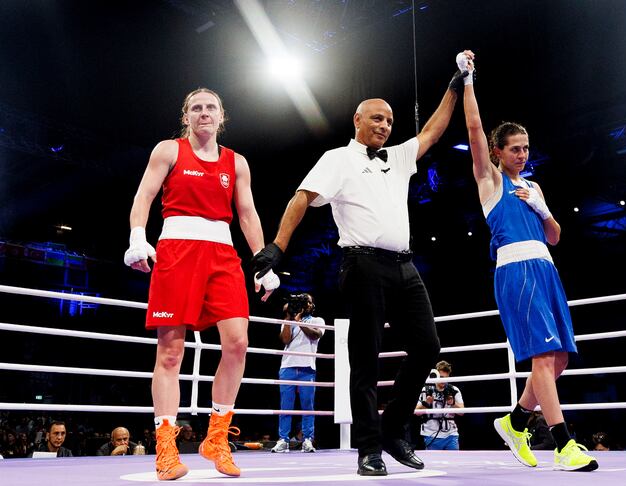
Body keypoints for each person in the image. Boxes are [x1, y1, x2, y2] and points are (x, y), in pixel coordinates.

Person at [251, 52, 470, 476]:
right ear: (357, 120)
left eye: (389, 120)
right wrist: (278, 246)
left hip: (405, 267)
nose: (384, 126)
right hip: (362, 265)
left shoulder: (399, 157)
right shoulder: (338, 158)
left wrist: (454, 85)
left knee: (428, 347)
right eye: (376, 118)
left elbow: (432, 131)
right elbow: (301, 197)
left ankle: (392, 430)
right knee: (366, 359)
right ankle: (368, 449)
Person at [125, 88, 279, 480]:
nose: (204, 113)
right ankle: (165, 448)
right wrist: (138, 236)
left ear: (222, 116)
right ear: (186, 116)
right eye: (197, 108)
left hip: (222, 255)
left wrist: (263, 262)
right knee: (170, 352)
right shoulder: (169, 150)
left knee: (238, 343)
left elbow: (247, 214)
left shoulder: (237, 162)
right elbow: (144, 196)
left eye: (211, 107)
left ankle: (217, 437)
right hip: (177, 252)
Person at [459, 51, 597, 472]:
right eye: (515, 149)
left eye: (526, 148)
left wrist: (544, 210)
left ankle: (516, 422)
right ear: (498, 152)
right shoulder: (490, 180)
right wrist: (467, 80)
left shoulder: (534, 187)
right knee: (543, 355)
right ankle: (563, 444)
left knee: (560, 359)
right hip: (516, 271)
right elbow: (474, 128)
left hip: (546, 268)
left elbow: (555, 237)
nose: (522, 154)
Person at [271, 293, 325, 454]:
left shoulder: (318, 320)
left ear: (311, 305)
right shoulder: (288, 321)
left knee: (307, 406)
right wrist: (289, 318)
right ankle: (283, 440)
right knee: (285, 406)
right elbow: (285, 340)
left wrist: (299, 321)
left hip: (307, 367)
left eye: (306, 301)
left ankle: (307, 439)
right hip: (287, 367)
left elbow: (315, 334)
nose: (304, 304)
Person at [416, 360, 464, 450]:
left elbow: (462, 412)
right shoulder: (426, 390)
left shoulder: (454, 390)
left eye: (446, 378)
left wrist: (453, 403)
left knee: (454, 459)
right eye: (441, 377)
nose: (443, 380)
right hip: (430, 434)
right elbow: (416, 412)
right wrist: (426, 403)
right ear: (436, 375)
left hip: (451, 434)